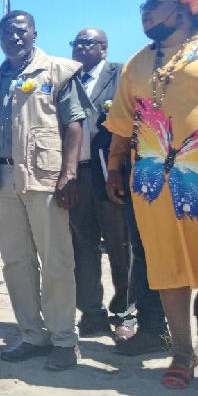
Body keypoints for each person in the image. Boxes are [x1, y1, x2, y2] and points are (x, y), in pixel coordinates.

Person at [105, 0, 198, 388]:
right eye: (144, 4)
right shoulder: (137, 62)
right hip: (153, 181)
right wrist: (114, 167)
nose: (145, 11)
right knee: (168, 263)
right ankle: (182, 353)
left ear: (188, 5)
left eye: (155, 3)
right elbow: (122, 123)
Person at [0, 10, 88, 371]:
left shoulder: (57, 71)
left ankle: (64, 339)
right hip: (2, 181)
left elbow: (75, 123)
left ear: (35, 33)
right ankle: (32, 335)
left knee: (55, 260)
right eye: (7, 32)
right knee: (16, 263)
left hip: (44, 178)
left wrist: (69, 173)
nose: (15, 37)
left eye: (21, 31)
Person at [68, 28, 135, 339]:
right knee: (82, 246)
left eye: (87, 42)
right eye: (76, 43)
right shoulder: (68, 79)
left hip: (110, 171)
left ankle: (125, 313)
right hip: (77, 174)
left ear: (104, 48)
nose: (80, 47)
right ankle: (92, 314)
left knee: (120, 244)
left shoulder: (120, 74)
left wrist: (121, 167)